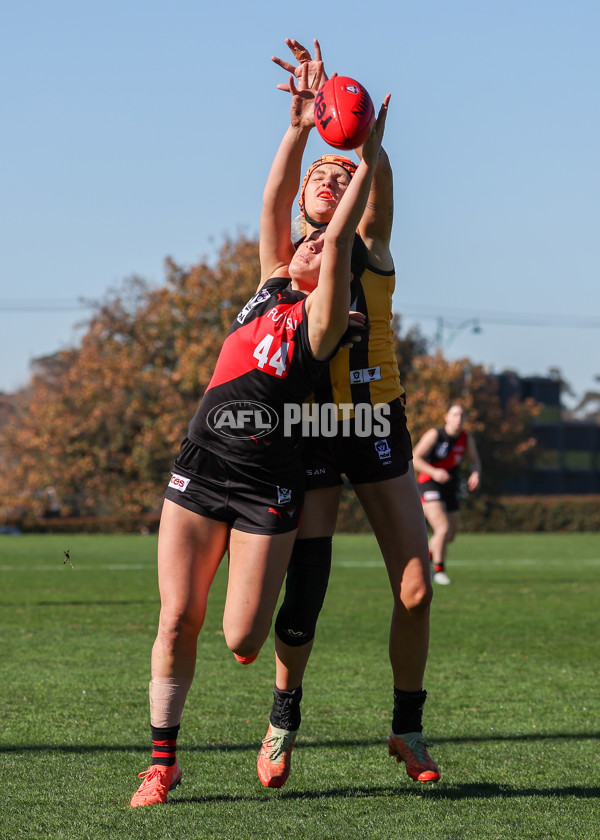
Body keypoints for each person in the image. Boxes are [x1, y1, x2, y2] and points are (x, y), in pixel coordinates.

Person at [129, 62, 390, 807]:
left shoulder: (325, 314)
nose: (308, 243)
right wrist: (299, 127)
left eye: (319, 244)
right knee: (176, 616)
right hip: (201, 463)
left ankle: (278, 703)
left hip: (267, 481)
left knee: (241, 639)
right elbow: (275, 200)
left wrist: (364, 159)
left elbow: (337, 249)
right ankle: (162, 763)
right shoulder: (273, 280)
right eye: (300, 241)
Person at [255, 39, 440, 790]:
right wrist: (304, 127)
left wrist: (362, 142)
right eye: (319, 177)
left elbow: (378, 189)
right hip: (310, 433)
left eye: (343, 173)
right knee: (306, 596)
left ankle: (408, 728)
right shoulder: (287, 257)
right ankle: (283, 717)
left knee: (417, 586)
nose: (330, 179)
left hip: (376, 425)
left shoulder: (371, 243)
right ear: (304, 199)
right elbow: (269, 201)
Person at [412, 402, 481, 585]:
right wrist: (434, 472)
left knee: (450, 535)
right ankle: (439, 570)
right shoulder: (435, 434)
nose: (459, 419)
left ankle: (424, 558)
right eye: (455, 414)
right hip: (429, 483)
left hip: (450, 486)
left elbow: (474, 461)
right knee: (442, 528)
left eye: (462, 415)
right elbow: (414, 458)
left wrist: (475, 473)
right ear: (446, 417)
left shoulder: (466, 439)